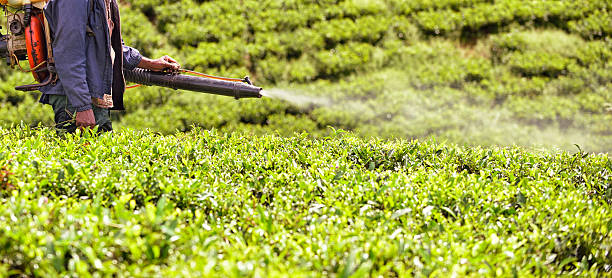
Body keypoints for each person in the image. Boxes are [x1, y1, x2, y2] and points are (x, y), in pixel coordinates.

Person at [39, 0, 180, 132]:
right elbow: (68, 52)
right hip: (73, 101)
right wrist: (82, 106)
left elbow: (111, 46)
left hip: (91, 96)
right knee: (79, 156)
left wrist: (151, 64)